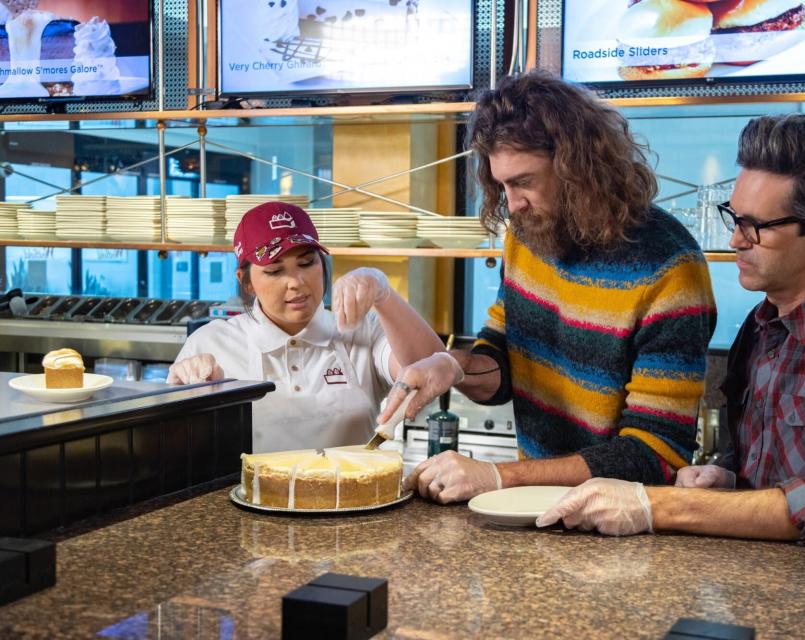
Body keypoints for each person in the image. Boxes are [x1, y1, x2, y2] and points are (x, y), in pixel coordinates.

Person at [537, 114, 805, 546]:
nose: (736, 241)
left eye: (756, 227)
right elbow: (756, 468)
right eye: (734, 217)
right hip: (760, 584)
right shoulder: (761, 325)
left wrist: (656, 505)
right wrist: (724, 479)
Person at [385, 70, 717, 502]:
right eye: (502, 185)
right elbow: (502, 358)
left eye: (523, 181)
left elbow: (653, 455)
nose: (513, 204)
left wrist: (501, 477)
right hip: (535, 508)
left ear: (579, 166)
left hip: (622, 524)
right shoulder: (527, 236)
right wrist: (454, 367)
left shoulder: (670, 269)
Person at [167, 201, 445, 452]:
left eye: (307, 262)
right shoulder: (211, 343)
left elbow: (432, 369)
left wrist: (383, 292)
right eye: (275, 271)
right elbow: (175, 450)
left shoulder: (360, 330)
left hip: (353, 502)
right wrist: (184, 397)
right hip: (248, 504)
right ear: (246, 282)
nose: (296, 282)